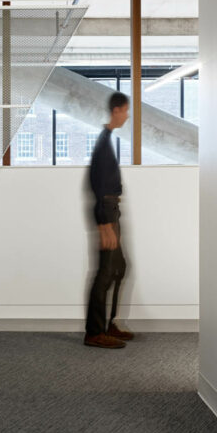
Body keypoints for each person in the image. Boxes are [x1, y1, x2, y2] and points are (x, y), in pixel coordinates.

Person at [84, 92, 135, 350]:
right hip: (107, 212)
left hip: (112, 210)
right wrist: (104, 224)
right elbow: (96, 185)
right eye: (126, 111)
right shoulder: (103, 143)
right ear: (117, 110)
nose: (127, 115)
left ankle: (108, 324)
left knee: (120, 267)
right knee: (105, 272)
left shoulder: (107, 141)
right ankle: (94, 332)